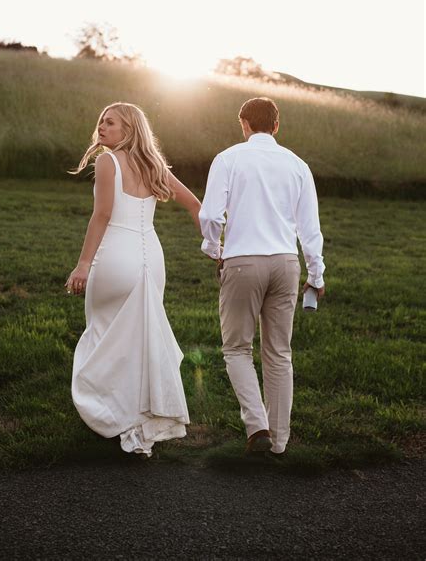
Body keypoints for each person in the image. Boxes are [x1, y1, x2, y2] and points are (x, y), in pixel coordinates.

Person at [66, 102, 201, 457]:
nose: (102, 128)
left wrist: (82, 264)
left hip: (116, 256)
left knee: (102, 333)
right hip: (151, 258)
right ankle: (141, 423)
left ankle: (110, 414)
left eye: (110, 122)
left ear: (129, 128)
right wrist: (215, 246)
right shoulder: (154, 164)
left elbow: (103, 215)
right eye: (100, 122)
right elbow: (195, 206)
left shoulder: (108, 161)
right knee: (141, 342)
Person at [199, 97, 325, 455]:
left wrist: (215, 249)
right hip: (286, 263)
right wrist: (316, 273)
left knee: (237, 348)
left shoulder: (228, 159)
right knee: (279, 353)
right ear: (276, 125)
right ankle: (280, 443)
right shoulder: (298, 165)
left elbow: (210, 216)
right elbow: (310, 229)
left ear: (244, 123)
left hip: (242, 262)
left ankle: (257, 427)